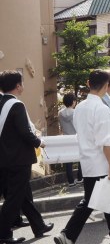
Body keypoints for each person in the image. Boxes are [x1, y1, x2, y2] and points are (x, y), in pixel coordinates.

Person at [54, 70, 110, 244]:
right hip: (103, 166)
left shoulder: (80, 108)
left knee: (94, 202)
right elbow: (106, 141)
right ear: (108, 85)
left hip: (88, 164)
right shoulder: (101, 109)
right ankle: (70, 234)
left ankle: (68, 234)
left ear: (88, 83)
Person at [0, 70, 53, 243]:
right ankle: (3, 233)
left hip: (4, 158)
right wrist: (39, 142)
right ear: (18, 86)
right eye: (22, 82)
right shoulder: (16, 105)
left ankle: (39, 226)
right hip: (18, 159)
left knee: (23, 195)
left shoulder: (1, 102)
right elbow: (25, 132)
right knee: (15, 198)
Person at [58, 93, 83, 187]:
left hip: (66, 138)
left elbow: (61, 126)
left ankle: (71, 181)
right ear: (73, 102)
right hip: (76, 137)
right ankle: (80, 178)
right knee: (81, 158)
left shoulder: (60, 113)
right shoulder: (76, 112)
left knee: (68, 160)